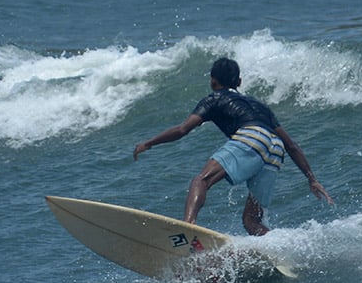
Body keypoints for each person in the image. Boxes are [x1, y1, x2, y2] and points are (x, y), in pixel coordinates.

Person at [134, 57, 333, 235]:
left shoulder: (214, 98)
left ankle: (189, 228)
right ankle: (276, 249)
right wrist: (312, 179)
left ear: (213, 80)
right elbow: (291, 145)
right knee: (251, 220)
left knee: (201, 181)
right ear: (239, 82)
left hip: (252, 137)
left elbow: (182, 129)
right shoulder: (259, 106)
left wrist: (149, 143)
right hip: (275, 150)